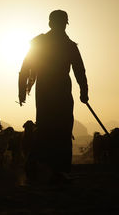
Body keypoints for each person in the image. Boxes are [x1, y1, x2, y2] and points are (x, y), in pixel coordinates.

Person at [18, 10, 88, 183]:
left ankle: (50, 170)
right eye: (62, 23)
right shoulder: (67, 45)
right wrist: (83, 92)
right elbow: (27, 66)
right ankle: (43, 169)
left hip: (52, 93)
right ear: (56, 24)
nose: (62, 26)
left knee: (55, 129)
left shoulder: (47, 43)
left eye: (63, 24)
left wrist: (84, 91)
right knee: (57, 130)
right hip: (56, 93)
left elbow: (25, 67)